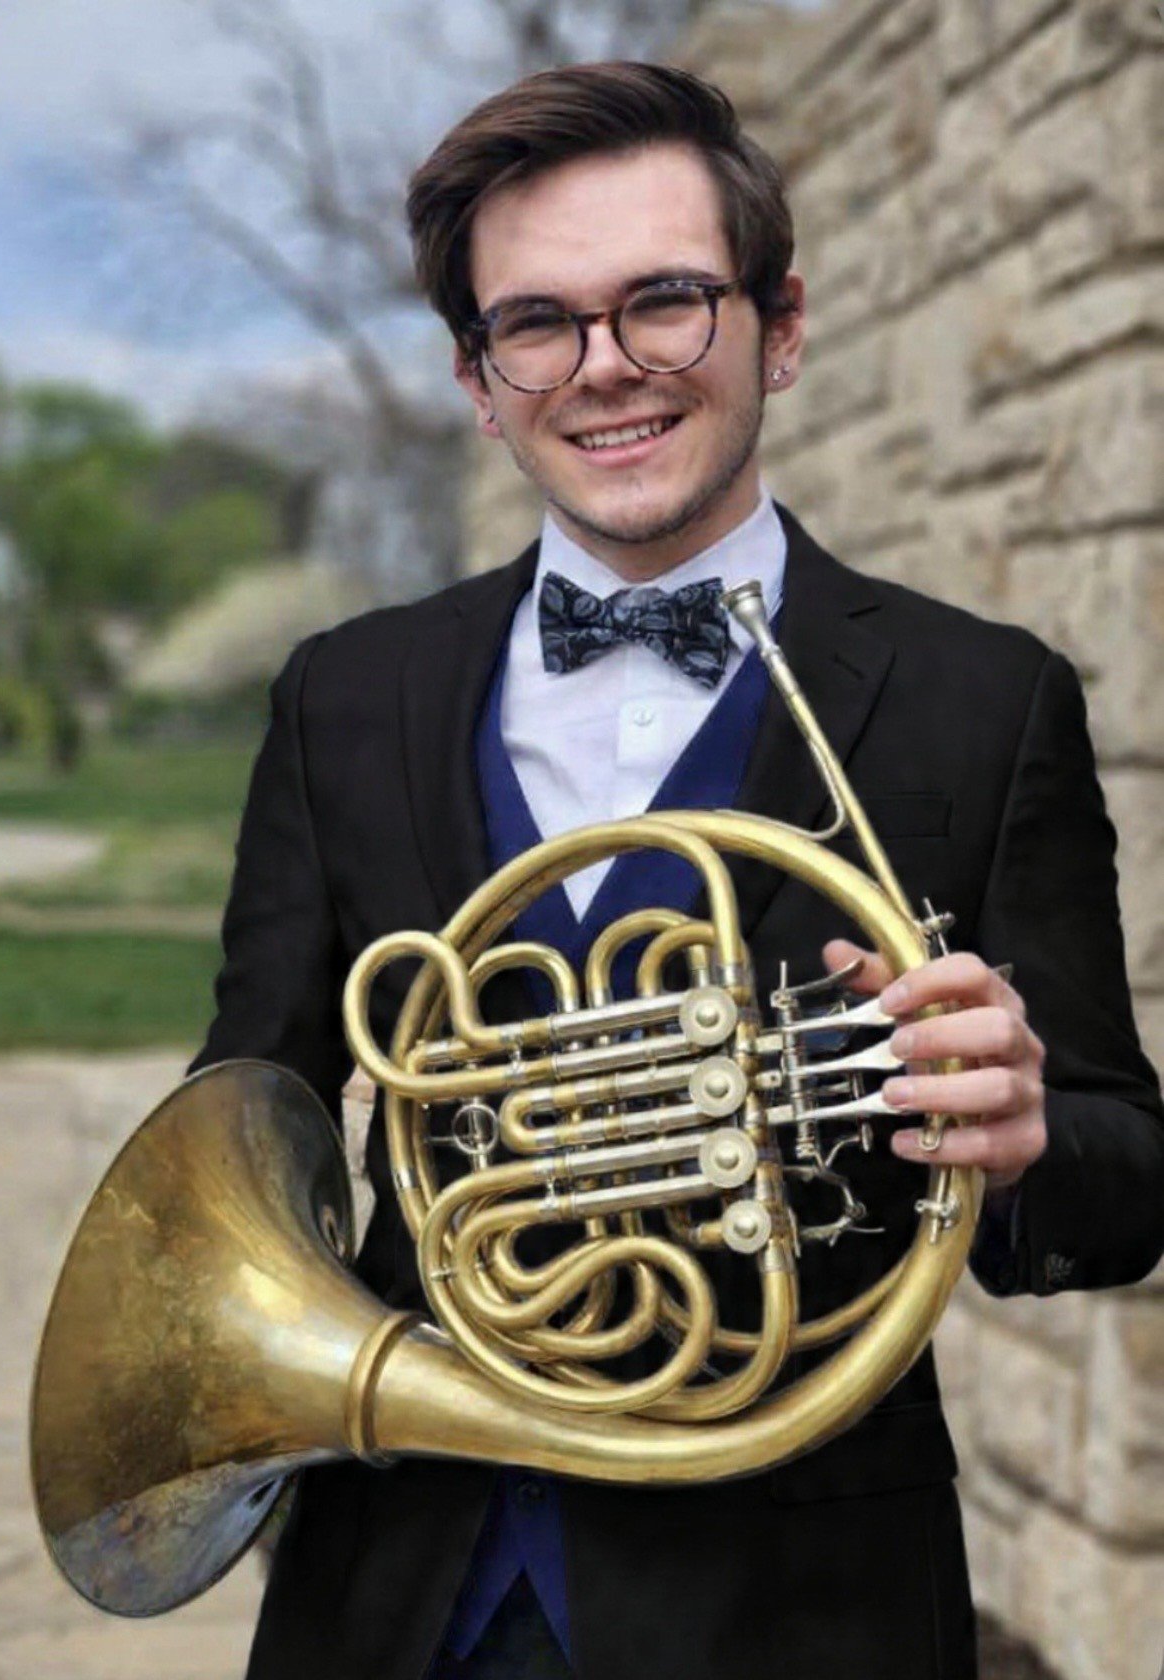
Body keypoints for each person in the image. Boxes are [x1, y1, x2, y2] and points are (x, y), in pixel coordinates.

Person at [193, 62, 1164, 1680]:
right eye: (537, 323)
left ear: (777, 327)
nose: (606, 369)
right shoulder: (343, 693)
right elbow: (246, 1121)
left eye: (665, 301)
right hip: (410, 1579)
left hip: (801, 1598)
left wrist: (1018, 1136)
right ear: (477, 379)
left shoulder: (978, 700)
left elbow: (1125, 1171)